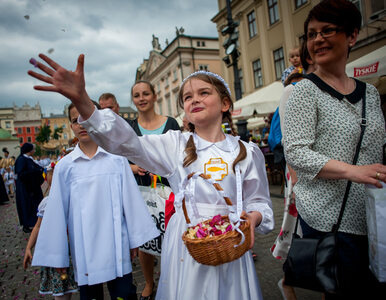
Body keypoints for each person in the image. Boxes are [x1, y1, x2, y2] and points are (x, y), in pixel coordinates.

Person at [27, 53, 274, 299]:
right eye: (187, 97)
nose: (194, 99)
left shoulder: (247, 152)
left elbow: (260, 202)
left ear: (225, 104)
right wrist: (82, 101)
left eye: (204, 93)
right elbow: (127, 143)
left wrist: (252, 218)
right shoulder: (176, 145)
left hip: (231, 242)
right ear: (185, 111)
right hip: (187, 246)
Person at [284, 0, 386, 298]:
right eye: (311, 34)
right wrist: (353, 171)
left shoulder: (369, 92)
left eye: (327, 31)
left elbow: (377, 146)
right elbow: (297, 153)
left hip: (373, 214)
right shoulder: (304, 91)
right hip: (329, 219)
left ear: (352, 36)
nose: (317, 40)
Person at [31, 102, 160, 300]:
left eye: (86, 119)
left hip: (117, 242)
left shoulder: (116, 159)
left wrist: (135, 238)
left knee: (123, 293)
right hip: (84, 248)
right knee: (91, 295)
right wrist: (58, 255)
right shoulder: (66, 166)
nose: (81, 125)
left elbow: (131, 200)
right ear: (71, 126)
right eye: (76, 121)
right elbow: (56, 212)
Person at [129, 80, 180, 300]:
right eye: (137, 95)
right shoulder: (130, 127)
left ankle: (170, 279)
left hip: (169, 190)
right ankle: (149, 282)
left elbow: (179, 156)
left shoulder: (171, 123)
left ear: (154, 96)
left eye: (145, 94)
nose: (141, 98)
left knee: (171, 237)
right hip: (140, 191)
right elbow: (119, 159)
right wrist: (133, 167)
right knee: (145, 241)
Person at [23, 162, 78, 299]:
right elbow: (38, 226)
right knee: (60, 290)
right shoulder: (47, 203)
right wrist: (29, 247)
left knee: (70, 287)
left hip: (72, 251)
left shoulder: (73, 199)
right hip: (55, 250)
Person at [14, 143, 44, 233]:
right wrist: (35, 171)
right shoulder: (21, 159)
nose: (34, 151)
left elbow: (37, 167)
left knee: (34, 205)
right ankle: (26, 224)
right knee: (26, 205)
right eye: (33, 149)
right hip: (25, 188)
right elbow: (21, 173)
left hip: (32, 187)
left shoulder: (28, 159)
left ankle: (35, 222)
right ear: (29, 150)